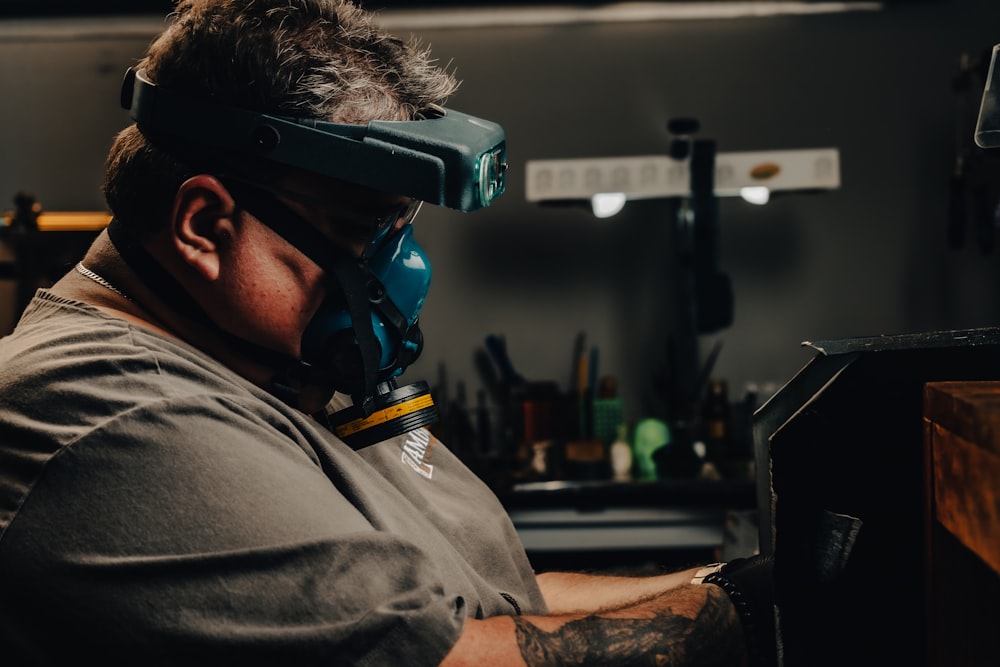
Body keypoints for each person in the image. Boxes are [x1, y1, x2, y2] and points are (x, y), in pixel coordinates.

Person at [0, 1, 775, 665]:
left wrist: (729, 582)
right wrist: (758, 617)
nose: (401, 270)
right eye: (363, 227)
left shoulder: (249, 367)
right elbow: (451, 655)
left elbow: (491, 603)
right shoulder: (107, 415)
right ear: (205, 224)